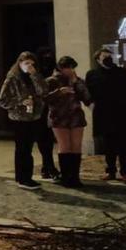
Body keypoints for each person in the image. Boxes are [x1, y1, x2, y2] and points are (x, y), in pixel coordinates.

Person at [85, 48, 126, 182]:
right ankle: (110, 171)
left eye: (110, 56)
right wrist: (91, 105)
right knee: (108, 146)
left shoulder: (124, 73)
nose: (108, 58)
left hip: (123, 115)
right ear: (98, 59)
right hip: (104, 116)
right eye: (105, 56)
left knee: (124, 147)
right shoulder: (92, 74)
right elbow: (88, 93)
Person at [0, 51, 47, 190]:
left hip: (34, 116)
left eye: (32, 63)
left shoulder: (34, 76)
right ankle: (23, 178)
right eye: (26, 63)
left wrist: (34, 75)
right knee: (22, 148)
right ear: (19, 64)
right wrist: (20, 101)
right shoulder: (12, 78)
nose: (29, 66)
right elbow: (2, 100)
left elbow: (43, 91)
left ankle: (26, 177)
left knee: (29, 148)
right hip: (19, 118)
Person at [44, 56, 91, 188]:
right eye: (67, 67)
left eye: (72, 67)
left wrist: (76, 82)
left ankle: (75, 177)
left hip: (76, 117)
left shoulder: (77, 81)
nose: (70, 70)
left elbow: (86, 98)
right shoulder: (51, 81)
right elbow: (44, 98)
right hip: (59, 117)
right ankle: (65, 177)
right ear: (60, 68)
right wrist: (59, 92)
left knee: (76, 146)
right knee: (65, 146)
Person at [35, 47, 60, 180]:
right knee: (43, 139)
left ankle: (47, 167)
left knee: (48, 141)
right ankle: (49, 167)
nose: (47, 58)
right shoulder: (37, 72)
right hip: (40, 110)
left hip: (52, 109)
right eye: (45, 55)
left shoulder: (55, 70)